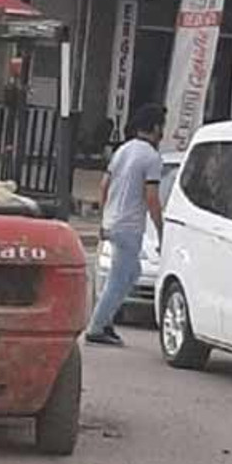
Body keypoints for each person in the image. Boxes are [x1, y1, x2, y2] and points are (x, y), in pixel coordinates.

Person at [86, 103, 167, 347]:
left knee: (131, 273)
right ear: (154, 127)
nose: (162, 132)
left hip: (112, 221)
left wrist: (104, 216)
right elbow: (151, 198)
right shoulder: (152, 158)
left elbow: (104, 186)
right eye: (161, 126)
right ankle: (97, 326)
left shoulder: (123, 150)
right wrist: (161, 229)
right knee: (120, 278)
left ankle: (106, 318)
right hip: (130, 225)